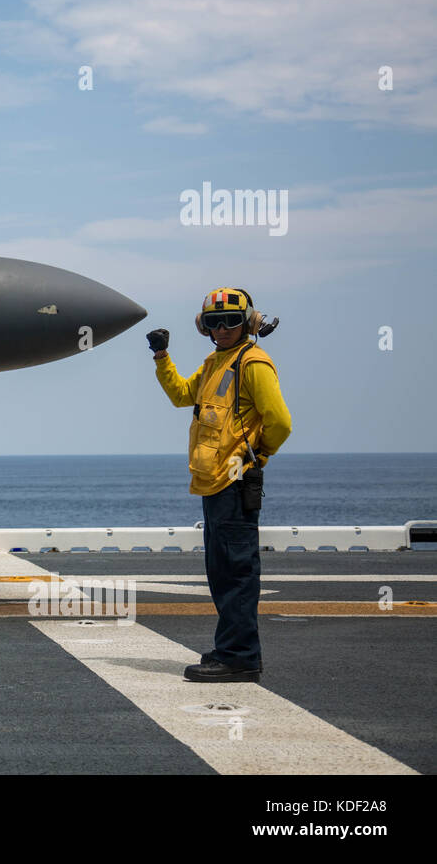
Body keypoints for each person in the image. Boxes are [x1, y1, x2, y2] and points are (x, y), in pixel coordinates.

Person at [147, 288, 291, 682]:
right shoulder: (215, 363)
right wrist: (162, 357)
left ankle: (240, 657)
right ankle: (231, 650)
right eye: (214, 322)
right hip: (212, 484)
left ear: (248, 322)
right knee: (222, 572)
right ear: (204, 326)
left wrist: (255, 458)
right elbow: (181, 395)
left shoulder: (254, 363)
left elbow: (280, 421)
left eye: (230, 321)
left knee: (237, 573)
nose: (222, 328)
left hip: (233, 481)